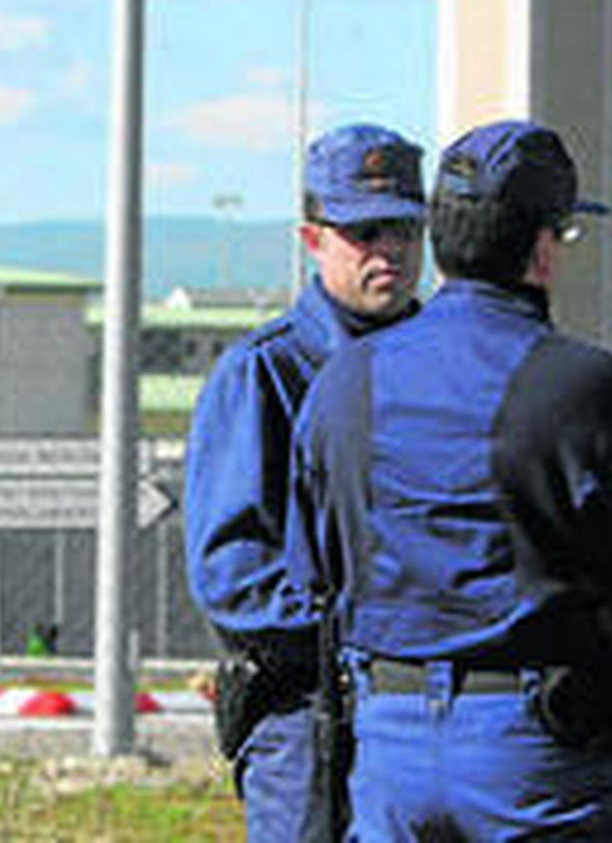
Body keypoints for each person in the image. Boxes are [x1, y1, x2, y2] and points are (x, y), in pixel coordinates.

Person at [289, 119, 612, 840]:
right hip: (536, 745)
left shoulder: (344, 382)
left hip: (387, 733)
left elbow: (315, 570)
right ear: (542, 247)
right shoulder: (594, 391)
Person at [183, 122, 427, 840]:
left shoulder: (444, 366)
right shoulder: (264, 374)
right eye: (364, 231)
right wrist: (364, 630)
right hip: (309, 716)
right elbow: (232, 574)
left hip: (422, 716)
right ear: (312, 238)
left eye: (405, 231)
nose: (389, 251)